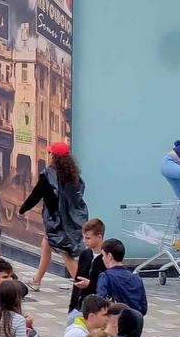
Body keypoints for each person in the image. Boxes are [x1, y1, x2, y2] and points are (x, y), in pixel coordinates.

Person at [20, 140, 87, 291]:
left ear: (53, 156)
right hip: (70, 220)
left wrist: (22, 209)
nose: (47, 154)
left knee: (66, 255)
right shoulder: (74, 175)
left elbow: (36, 195)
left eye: (49, 152)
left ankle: (85, 288)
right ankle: (36, 281)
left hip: (57, 223)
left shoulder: (48, 175)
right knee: (46, 246)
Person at [96, 237, 147, 327]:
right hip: (136, 325)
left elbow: (101, 304)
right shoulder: (136, 278)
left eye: (103, 255)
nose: (102, 259)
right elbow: (143, 308)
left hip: (115, 325)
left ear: (109, 256)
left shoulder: (106, 277)